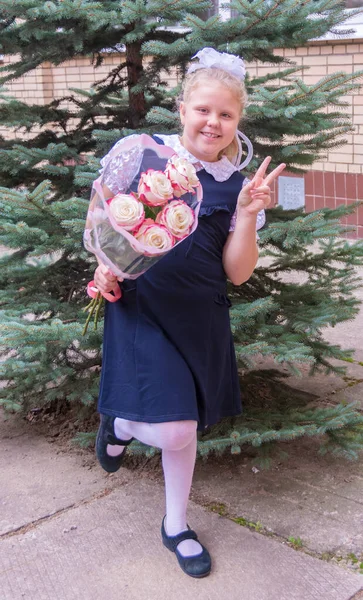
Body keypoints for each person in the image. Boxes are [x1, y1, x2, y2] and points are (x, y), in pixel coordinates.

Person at [92, 47, 286, 578]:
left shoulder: (237, 184)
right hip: (142, 307)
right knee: (177, 430)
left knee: (187, 429)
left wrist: (247, 214)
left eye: (226, 114)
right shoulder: (148, 154)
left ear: (238, 121)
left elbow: (239, 271)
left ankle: (175, 525)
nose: (213, 122)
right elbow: (106, 212)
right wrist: (105, 265)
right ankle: (124, 422)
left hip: (201, 315)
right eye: (203, 109)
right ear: (181, 108)